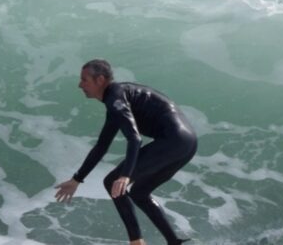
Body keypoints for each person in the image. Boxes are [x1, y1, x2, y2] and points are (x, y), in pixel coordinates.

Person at [54, 59, 198, 245]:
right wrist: (77, 179)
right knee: (139, 192)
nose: (80, 84)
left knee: (113, 182)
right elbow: (102, 146)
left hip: (173, 141)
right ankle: (174, 242)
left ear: (99, 80)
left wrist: (125, 175)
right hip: (187, 143)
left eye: (84, 80)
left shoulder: (115, 98)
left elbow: (134, 138)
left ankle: (136, 241)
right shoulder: (117, 100)